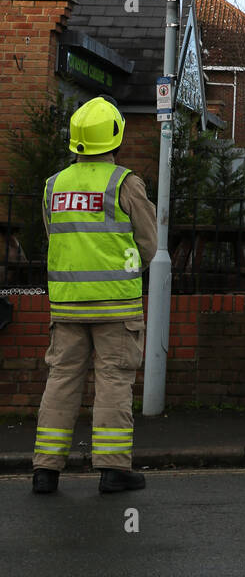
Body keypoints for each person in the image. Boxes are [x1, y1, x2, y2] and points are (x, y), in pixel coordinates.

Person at [32, 97, 156, 495]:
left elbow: (55, 237)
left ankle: (45, 470)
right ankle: (112, 469)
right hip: (116, 304)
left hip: (66, 303)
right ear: (115, 137)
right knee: (114, 381)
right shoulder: (125, 182)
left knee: (62, 380)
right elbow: (148, 244)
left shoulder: (54, 185)